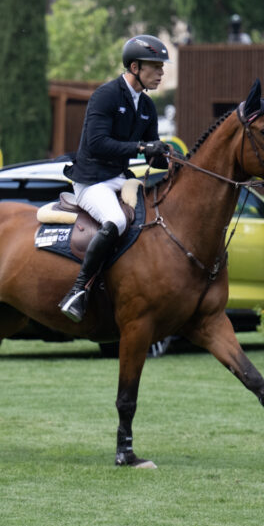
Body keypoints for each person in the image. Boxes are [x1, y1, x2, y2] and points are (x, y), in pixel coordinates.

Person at [57, 34, 171, 322]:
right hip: (91, 181)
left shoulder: (146, 107)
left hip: (119, 178)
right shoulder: (106, 95)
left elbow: (151, 156)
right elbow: (97, 143)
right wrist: (143, 147)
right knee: (117, 221)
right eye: (155, 67)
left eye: (162, 67)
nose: (161, 73)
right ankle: (78, 290)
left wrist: (167, 156)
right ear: (135, 67)